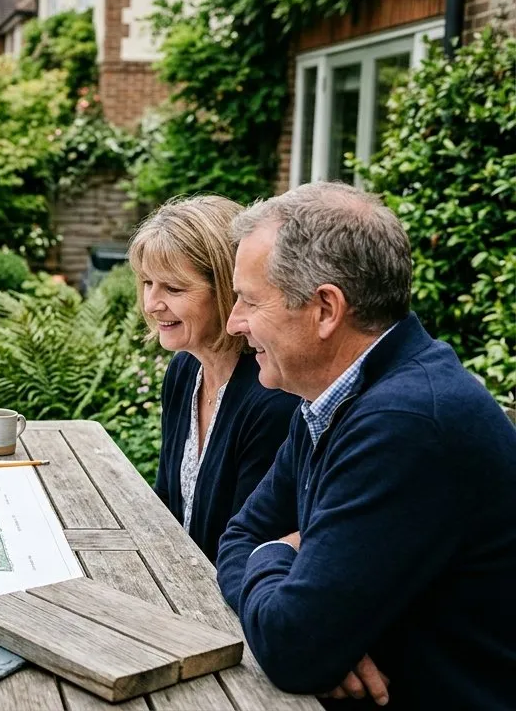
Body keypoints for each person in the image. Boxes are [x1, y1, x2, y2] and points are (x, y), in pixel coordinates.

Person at [216, 182, 516, 708]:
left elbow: (294, 646)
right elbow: (238, 535)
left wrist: (277, 559)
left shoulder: (405, 423)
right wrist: (288, 568)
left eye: (249, 300)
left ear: (326, 309)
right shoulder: (334, 398)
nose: (233, 322)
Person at [129, 197, 296, 562]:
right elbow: (170, 503)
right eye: (147, 283)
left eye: (173, 288)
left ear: (225, 291)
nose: (151, 303)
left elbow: (246, 546)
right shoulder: (185, 370)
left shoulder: (272, 398)